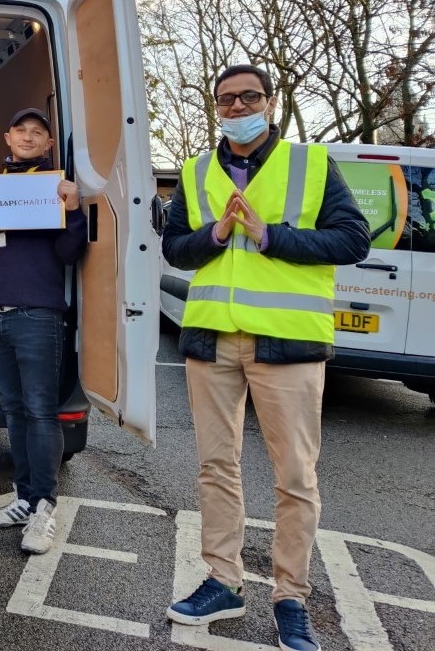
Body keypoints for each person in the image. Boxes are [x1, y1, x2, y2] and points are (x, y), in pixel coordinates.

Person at [162, 64, 370, 651]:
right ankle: (223, 581)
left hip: (287, 342)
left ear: (270, 103)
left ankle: (290, 597)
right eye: (226, 99)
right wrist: (217, 235)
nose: (236, 107)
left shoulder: (310, 163)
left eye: (248, 97)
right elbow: (176, 248)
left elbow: (353, 239)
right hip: (212, 339)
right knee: (215, 466)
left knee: (295, 476)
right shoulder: (195, 171)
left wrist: (270, 234)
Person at [0, 108, 88, 556]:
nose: (29, 137)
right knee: (14, 411)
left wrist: (73, 212)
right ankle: (24, 499)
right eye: (21, 131)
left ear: (49, 145)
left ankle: (44, 510)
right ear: (8, 138)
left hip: (38, 316)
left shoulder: (55, 190)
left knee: (40, 411)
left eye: (38, 132)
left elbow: (70, 253)